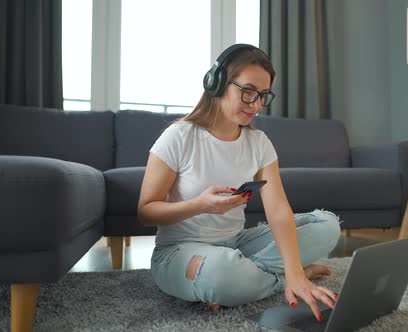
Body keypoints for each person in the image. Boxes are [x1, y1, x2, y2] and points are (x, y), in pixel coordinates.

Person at [137, 44, 341, 322]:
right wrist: (200, 205)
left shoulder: (258, 143)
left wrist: (293, 269)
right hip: (178, 251)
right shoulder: (179, 136)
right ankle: (273, 280)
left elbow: (278, 209)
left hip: (236, 244)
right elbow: (145, 211)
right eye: (247, 92)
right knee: (220, 273)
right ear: (217, 83)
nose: (256, 104)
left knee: (327, 226)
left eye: (263, 96)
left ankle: (251, 278)